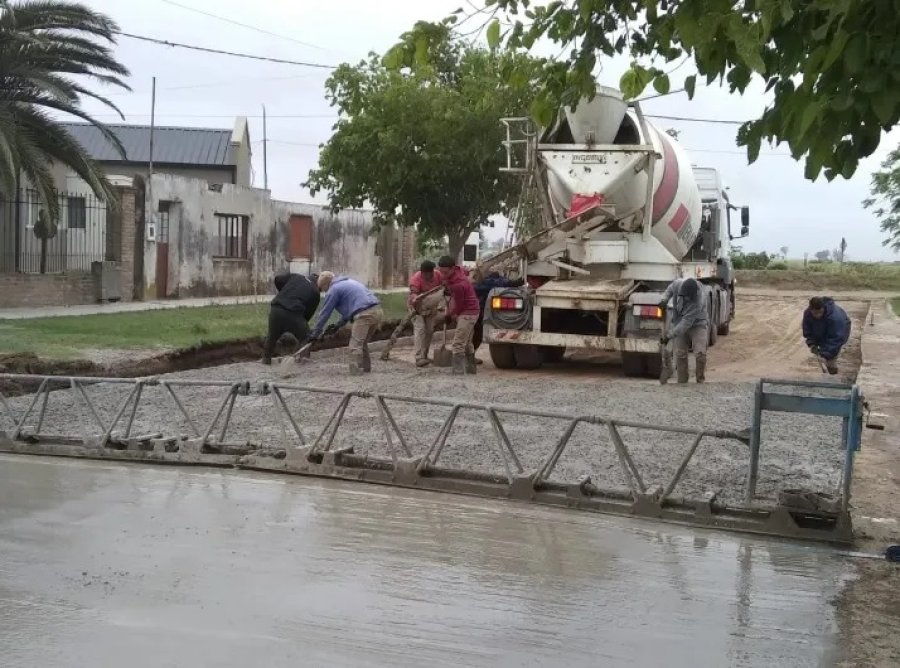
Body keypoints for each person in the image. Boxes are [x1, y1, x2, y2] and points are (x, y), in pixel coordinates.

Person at [310, 272, 383, 375]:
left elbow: (324, 314)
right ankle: (366, 369)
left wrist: (315, 333)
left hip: (364, 315)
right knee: (362, 343)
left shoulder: (333, 290)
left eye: (322, 289)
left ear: (326, 284)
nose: (324, 291)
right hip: (377, 311)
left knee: (355, 345)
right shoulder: (348, 282)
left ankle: (355, 371)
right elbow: (349, 311)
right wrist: (337, 326)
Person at [262, 272, 320, 365]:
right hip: (294, 313)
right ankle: (303, 362)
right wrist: (300, 325)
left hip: (276, 309)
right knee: (306, 337)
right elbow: (308, 314)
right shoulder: (316, 292)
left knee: (272, 337)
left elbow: (278, 279)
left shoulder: (296, 276)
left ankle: (266, 360)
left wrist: (284, 292)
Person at [659, 277, 709, 384]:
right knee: (680, 353)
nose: (686, 300)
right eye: (685, 297)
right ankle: (682, 382)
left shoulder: (698, 300)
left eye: (689, 298)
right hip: (680, 320)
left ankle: (700, 381)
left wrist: (669, 336)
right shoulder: (677, 284)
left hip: (697, 324)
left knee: (700, 353)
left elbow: (686, 323)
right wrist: (664, 299)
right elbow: (669, 290)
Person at [437, 255, 480, 375]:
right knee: (467, 343)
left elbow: (460, 306)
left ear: (452, 269)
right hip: (473, 310)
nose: (443, 275)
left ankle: (458, 372)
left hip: (468, 312)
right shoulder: (459, 270)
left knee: (458, 344)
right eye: (441, 271)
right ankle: (471, 370)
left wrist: (449, 315)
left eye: (445, 272)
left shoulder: (458, 284)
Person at [473, 272, 525, 353]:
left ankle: (470, 356)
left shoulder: (480, 283)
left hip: (477, 311)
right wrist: (512, 283)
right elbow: (496, 283)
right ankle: (469, 357)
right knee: (476, 334)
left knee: (476, 334)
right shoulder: (485, 283)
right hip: (477, 311)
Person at [408, 260, 445, 367]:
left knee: (429, 330)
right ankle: (419, 357)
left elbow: (444, 285)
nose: (428, 276)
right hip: (416, 308)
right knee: (420, 330)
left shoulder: (438, 275)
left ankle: (425, 355)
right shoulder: (416, 279)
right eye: (425, 274)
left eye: (430, 273)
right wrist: (415, 298)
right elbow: (413, 294)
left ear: (433, 272)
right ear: (422, 272)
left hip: (431, 307)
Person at [802, 296, 851, 375]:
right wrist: (812, 343)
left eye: (820, 312)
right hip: (822, 329)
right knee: (821, 354)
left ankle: (833, 374)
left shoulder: (835, 318)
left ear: (823, 308)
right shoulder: (808, 314)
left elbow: (836, 338)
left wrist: (825, 354)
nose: (818, 315)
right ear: (811, 310)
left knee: (830, 358)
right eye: (815, 313)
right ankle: (828, 370)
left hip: (840, 331)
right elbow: (808, 330)